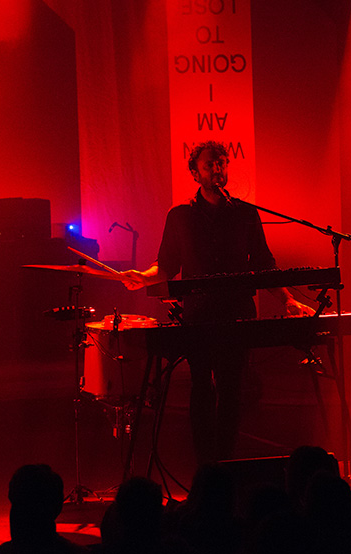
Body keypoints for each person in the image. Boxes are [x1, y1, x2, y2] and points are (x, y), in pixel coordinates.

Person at [122, 140, 311, 464]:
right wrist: (143, 277)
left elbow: (264, 265)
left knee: (231, 387)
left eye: (221, 163)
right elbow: (167, 266)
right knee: (201, 386)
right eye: (210, 164)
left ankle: (224, 461)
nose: (217, 169)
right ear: (195, 173)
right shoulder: (180, 216)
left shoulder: (246, 214)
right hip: (199, 314)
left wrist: (288, 301)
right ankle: (205, 463)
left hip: (237, 311)